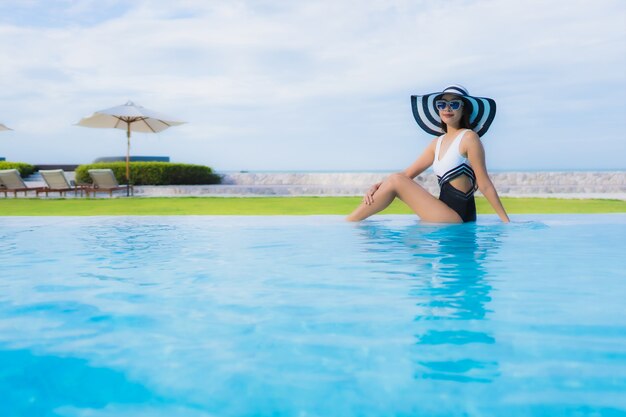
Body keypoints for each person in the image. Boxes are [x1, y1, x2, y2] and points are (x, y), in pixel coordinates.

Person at [346, 85, 510, 223]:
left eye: (454, 104)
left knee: (396, 180)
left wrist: (506, 221)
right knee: (396, 179)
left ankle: (349, 222)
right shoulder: (436, 143)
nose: (447, 108)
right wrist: (377, 186)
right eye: (442, 104)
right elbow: (406, 174)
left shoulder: (469, 137)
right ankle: (351, 220)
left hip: (458, 216)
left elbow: (485, 183)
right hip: (442, 210)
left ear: (463, 108)